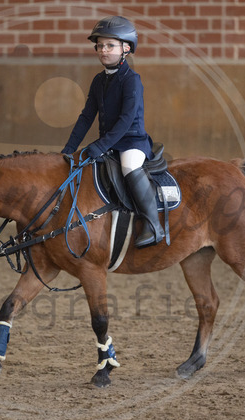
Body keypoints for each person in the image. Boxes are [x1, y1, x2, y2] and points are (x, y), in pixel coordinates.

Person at [61, 16, 165, 248]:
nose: (103, 50)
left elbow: (126, 120)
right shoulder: (98, 81)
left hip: (132, 142)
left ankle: (153, 225)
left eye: (110, 45)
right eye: (100, 46)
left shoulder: (132, 80)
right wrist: (69, 148)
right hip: (109, 143)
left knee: (129, 167)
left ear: (126, 48)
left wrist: (100, 145)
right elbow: (86, 117)